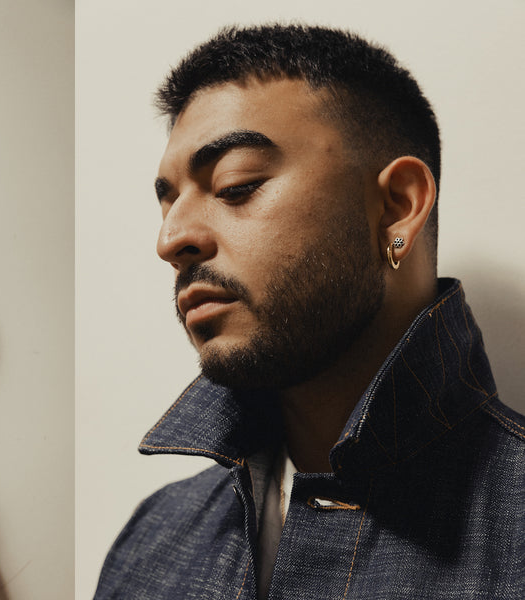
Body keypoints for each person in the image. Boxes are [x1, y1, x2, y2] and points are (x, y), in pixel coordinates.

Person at [95, 24, 525, 599]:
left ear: (397, 208)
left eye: (234, 184)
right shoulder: (153, 541)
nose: (171, 238)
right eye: (169, 201)